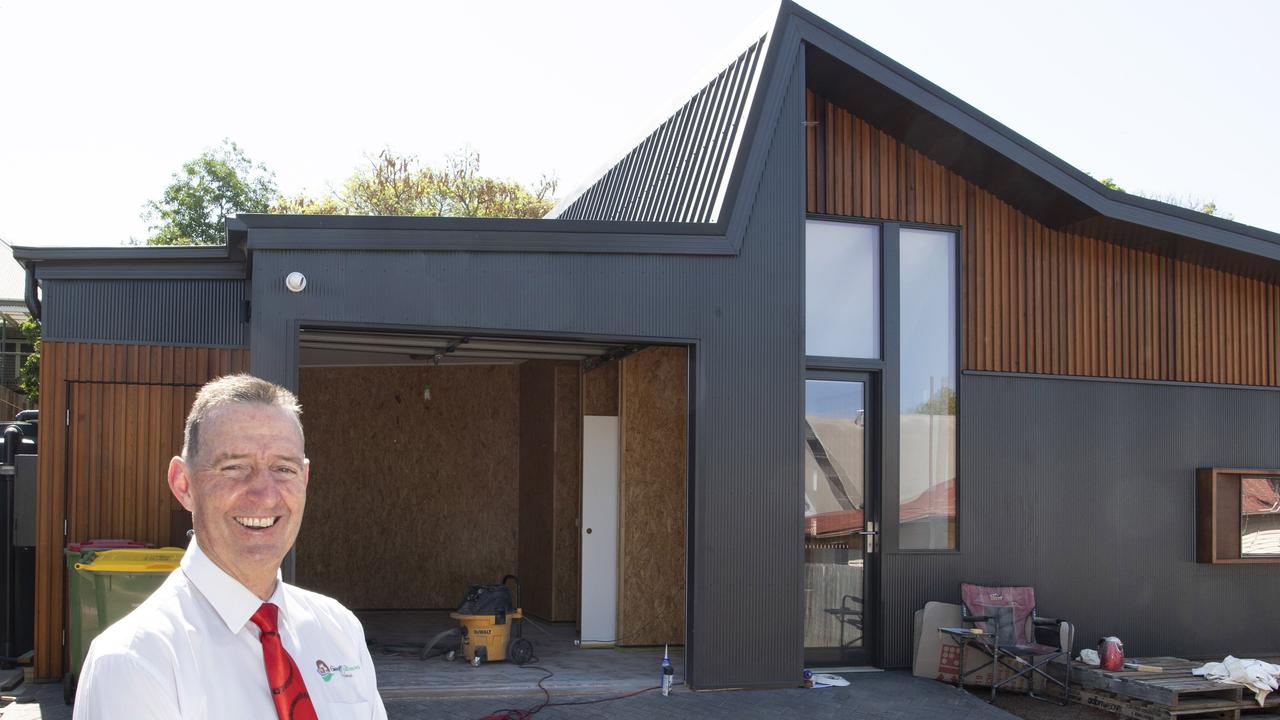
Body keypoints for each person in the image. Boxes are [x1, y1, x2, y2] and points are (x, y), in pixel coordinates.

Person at [74, 374, 388, 719]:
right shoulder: (136, 661)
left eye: (284, 469)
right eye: (234, 467)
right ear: (184, 485)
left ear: (305, 479)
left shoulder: (339, 629)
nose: (265, 494)